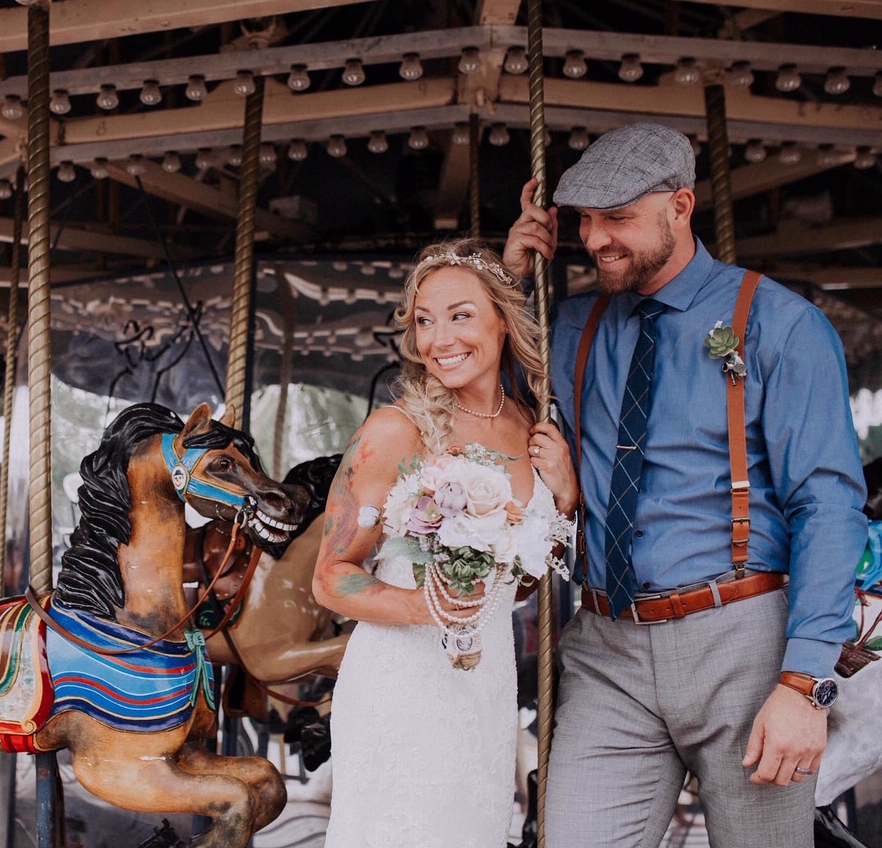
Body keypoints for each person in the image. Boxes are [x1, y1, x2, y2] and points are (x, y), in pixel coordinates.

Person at [502, 122, 866, 846]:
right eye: (584, 220)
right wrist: (509, 280)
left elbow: (827, 506)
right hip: (607, 643)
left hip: (742, 638)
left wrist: (804, 684)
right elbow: (472, 395)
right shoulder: (570, 325)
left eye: (619, 219)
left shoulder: (780, 325)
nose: (597, 238)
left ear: (680, 205)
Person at [312, 239, 578, 846]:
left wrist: (564, 497)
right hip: (400, 684)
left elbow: (523, 579)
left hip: (485, 686)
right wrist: (424, 605)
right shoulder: (395, 431)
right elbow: (329, 575)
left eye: (460, 315)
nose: (439, 339)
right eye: (425, 321)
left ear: (503, 320)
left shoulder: (531, 423)